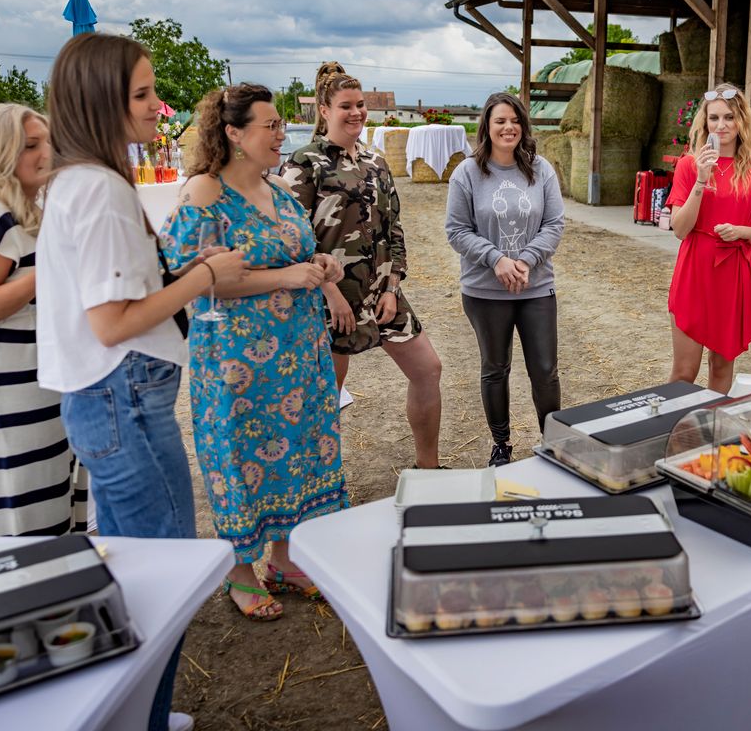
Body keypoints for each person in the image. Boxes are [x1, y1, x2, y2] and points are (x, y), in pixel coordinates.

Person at [37, 33, 248, 731]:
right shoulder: (97, 190)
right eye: (142, 93)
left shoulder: (81, 180)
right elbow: (113, 322)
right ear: (100, 101)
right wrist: (204, 276)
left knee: (137, 570)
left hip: (110, 399)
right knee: (162, 582)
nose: (159, 106)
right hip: (121, 395)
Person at [161, 83, 349, 621]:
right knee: (242, 454)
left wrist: (323, 269)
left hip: (298, 356)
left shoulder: (280, 191)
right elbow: (187, 275)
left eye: (280, 124)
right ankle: (241, 572)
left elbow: (303, 255)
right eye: (269, 125)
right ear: (234, 134)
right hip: (238, 360)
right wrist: (286, 275)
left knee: (299, 447)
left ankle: (286, 562)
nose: (280, 133)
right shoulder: (205, 192)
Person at [280, 62, 444, 469]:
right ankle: (320, 484)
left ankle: (429, 468)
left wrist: (391, 287)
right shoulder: (305, 163)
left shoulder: (376, 162)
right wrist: (330, 293)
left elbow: (393, 228)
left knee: (428, 370)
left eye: (360, 105)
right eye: (345, 106)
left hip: (380, 293)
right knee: (325, 397)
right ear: (324, 110)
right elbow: (292, 240)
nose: (355, 113)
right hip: (330, 300)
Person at [0, 103, 87, 537]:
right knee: (31, 522)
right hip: (6, 385)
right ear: (0, 153)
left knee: (58, 511)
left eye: (48, 142)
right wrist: (49, 266)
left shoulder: (32, 211)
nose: (45, 152)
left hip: (41, 376)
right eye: (31, 145)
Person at [446, 92, 564, 466]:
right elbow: (456, 229)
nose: (508, 127)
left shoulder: (541, 169)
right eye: (500, 121)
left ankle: (553, 441)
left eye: (514, 120)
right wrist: (496, 259)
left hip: (536, 287)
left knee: (545, 370)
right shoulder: (467, 173)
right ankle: (501, 445)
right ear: (487, 126)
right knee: (495, 368)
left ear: (523, 126)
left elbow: (554, 224)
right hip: (485, 291)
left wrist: (526, 260)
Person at [666, 83, 751, 395]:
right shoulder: (690, 165)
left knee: (721, 367)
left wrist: (742, 231)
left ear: (742, 121)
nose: (721, 125)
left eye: (729, 117)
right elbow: (679, 229)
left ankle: (709, 438)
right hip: (695, 268)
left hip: (734, 273)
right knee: (683, 372)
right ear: (704, 124)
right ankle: (672, 437)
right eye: (714, 118)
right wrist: (701, 181)